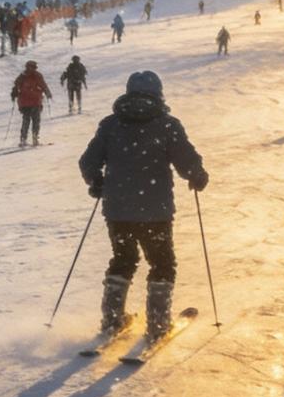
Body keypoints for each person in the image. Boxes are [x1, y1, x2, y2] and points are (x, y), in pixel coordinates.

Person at [79, 71, 209, 342]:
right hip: (155, 209)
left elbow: (88, 161)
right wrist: (196, 175)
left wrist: (96, 181)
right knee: (162, 263)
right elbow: (185, 159)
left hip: (117, 210)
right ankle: (158, 324)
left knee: (123, 260)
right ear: (158, 94)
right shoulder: (167, 125)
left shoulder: (111, 125)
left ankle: (113, 319)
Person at [11, 60, 51, 147]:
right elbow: (43, 85)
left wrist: (14, 94)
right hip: (34, 101)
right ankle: (34, 138)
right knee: (35, 120)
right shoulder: (36, 75)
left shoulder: (22, 76)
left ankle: (24, 139)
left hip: (25, 102)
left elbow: (15, 86)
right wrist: (48, 93)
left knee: (26, 120)